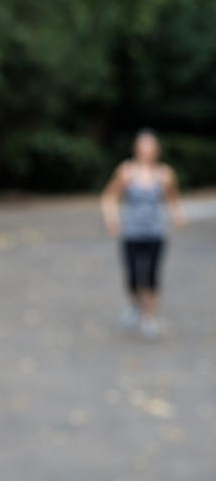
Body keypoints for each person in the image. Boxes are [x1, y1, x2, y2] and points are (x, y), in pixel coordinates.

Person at [100, 129, 187, 340]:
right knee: (131, 278)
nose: (147, 150)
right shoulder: (126, 171)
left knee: (151, 277)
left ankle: (149, 318)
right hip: (131, 232)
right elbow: (108, 197)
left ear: (157, 150)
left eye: (151, 146)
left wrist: (177, 215)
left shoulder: (164, 174)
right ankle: (135, 306)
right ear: (137, 149)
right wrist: (111, 218)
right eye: (143, 146)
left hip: (155, 232)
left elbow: (172, 200)